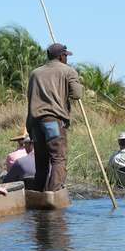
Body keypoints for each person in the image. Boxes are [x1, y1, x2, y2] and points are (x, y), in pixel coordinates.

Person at [26, 42, 83, 191]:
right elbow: (77, 94)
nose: (67, 59)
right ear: (61, 56)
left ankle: (38, 195)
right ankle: (53, 194)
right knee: (58, 159)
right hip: (53, 122)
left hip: (36, 123)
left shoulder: (35, 73)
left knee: (41, 163)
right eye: (66, 56)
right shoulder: (68, 71)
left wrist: (29, 126)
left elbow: (30, 98)